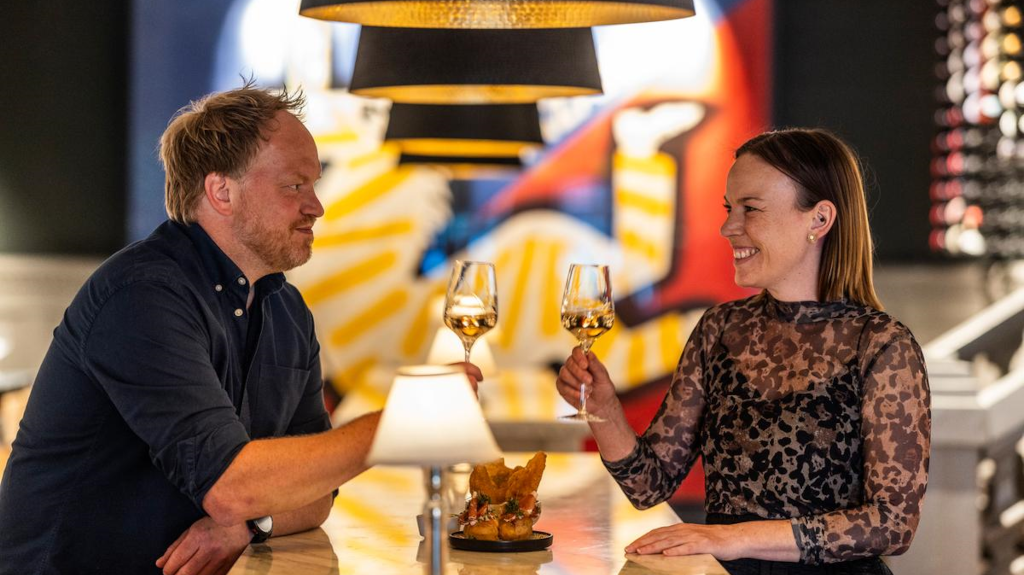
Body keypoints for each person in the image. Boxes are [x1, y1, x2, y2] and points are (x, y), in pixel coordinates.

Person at [0, 82, 481, 575]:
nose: (317, 206)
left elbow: (316, 495)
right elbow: (233, 487)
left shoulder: (286, 309)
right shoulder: (142, 295)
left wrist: (252, 523)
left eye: (313, 185)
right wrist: (409, 417)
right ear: (222, 192)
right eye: (294, 186)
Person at [556, 128, 930, 575]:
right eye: (729, 209)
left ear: (819, 220)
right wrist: (604, 410)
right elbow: (648, 485)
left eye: (750, 209)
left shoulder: (883, 346)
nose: (728, 227)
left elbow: (892, 525)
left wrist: (730, 537)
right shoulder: (720, 329)